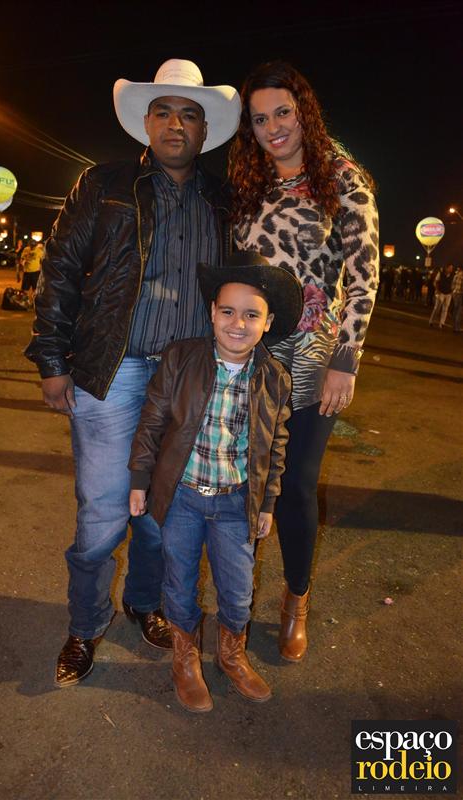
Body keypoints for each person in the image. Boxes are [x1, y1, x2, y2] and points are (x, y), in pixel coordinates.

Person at [24, 59, 241, 687]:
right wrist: (52, 359)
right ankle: (85, 625)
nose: (176, 124)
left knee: (161, 510)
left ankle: (145, 605)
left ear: (205, 130)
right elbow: (61, 269)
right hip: (113, 368)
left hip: (185, 380)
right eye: (164, 112)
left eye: (189, 114)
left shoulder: (224, 201)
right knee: (102, 512)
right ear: (146, 123)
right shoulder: (105, 184)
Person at [228, 60, 379, 663]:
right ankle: (236, 603)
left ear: (304, 111)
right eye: (259, 119)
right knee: (243, 478)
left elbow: (364, 278)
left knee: (294, 484)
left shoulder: (342, 177)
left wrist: (347, 358)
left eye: (283, 113)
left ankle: (296, 600)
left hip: (315, 358)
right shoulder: (252, 180)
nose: (273, 128)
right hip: (250, 352)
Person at [128, 253, 303, 711]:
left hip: (235, 504)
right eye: (227, 311)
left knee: (238, 592)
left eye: (251, 315)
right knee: (179, 584)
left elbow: (276, 446)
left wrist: (267, 503)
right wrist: (140, 479)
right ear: (211, 312)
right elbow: (151, 422)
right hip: (182, 499)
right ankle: (185, 659)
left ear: (268, 323)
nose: (237, 324)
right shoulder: (180, 357)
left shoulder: (274, 378)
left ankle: (231, 654)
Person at [429, 264, 454, 329]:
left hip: (448, 294)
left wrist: (452, 292)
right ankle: (432, 321)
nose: (451, 270)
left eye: (452, 268)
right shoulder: (440, 274)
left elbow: (452, 284)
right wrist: (437, 290)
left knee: (445, 309)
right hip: (441, 293)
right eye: (450, 268)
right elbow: (436, 282)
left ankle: (442, 323)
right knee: (437, 308)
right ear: (446, 268)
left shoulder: (452, 275)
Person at [450, 265, 463, 333]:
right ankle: (457, 327)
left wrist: (453, 292)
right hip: (460, 294)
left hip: (455, 293)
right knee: (459, 311)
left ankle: (454, 326)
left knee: (455, 310)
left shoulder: (456, 275)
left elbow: (452, 285)